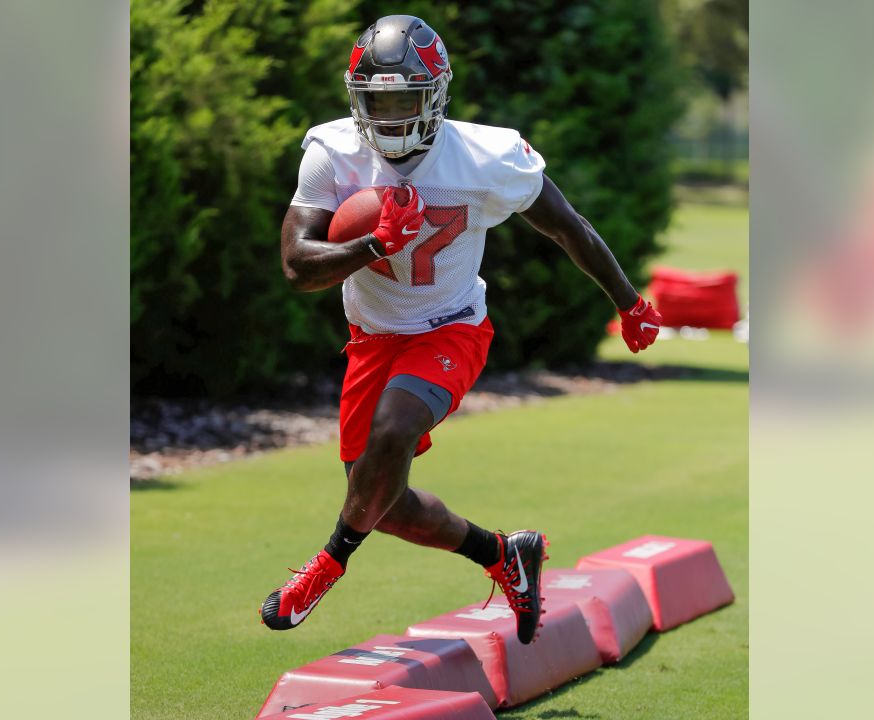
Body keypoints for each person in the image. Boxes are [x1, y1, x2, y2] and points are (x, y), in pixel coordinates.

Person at [260, 15, 662, 645]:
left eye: (404, 99)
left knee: (392, 433)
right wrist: (373, 244)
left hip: (451, 329)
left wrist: (628, 300)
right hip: (372, 337)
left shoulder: (484, 154)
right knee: (385, 507)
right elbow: (295, 267)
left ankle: (329, 563)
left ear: (436, 94)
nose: (390, 117)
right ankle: (505, 554)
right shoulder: (333, 151)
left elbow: (568, 226)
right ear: (355, 99)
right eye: (377, 101)